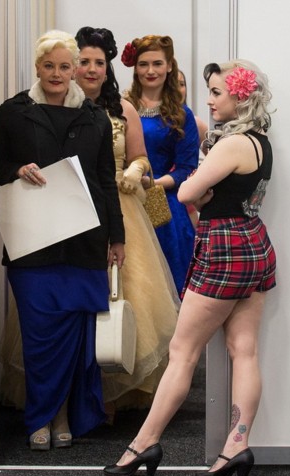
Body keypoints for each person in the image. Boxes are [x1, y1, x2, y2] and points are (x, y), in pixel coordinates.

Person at [104, 59, 276, 476]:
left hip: (223, 248)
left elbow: (185, 192)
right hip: (253, 243)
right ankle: (236, 446)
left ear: (240, 97)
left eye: (217, 92)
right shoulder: (260, 142)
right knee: (245, 350)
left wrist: (197, 188)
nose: (209, 100)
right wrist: (201, 190)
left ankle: (143, 444)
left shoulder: (230, 145)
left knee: (182, 352)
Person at [0, 30, 125, 451]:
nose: (56, 73)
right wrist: (16, 170)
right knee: (39, 338)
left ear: (75, 70)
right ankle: (40, 416)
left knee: (76, 338)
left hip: (85, 243)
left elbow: (106, 180)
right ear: (37, 67)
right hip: (33, 243)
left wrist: (118, 237)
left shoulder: (95, 117)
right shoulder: (12, 112)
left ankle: (64, 414)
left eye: (64, 66)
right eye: (49, 65)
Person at [74, 26, 180, 419]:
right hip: (75, 208)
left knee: (125, 295)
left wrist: (134, 172)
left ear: (108, 68)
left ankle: (117, 392)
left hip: (121, 207)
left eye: (99, 62)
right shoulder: (63, 106)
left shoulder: (122, 108)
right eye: (84, 61)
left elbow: (141, 157)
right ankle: (79, 391)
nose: (91, 69)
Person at [120, 35, 199, 295]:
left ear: (169, 66)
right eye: (143, 64)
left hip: (163, 204)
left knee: (166, 286)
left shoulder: (181, 114)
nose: (150, 71)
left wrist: (152, 183)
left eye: (157, 63)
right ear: (135, 68)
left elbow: (187, 168)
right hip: (123, 198)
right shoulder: (120, 106)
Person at [177, 69, 208, 228]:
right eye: (173, 84)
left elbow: (215, 157)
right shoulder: (146, 121)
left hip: (185, 201)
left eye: (182, 84)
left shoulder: (195, 123)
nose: (178, 89)